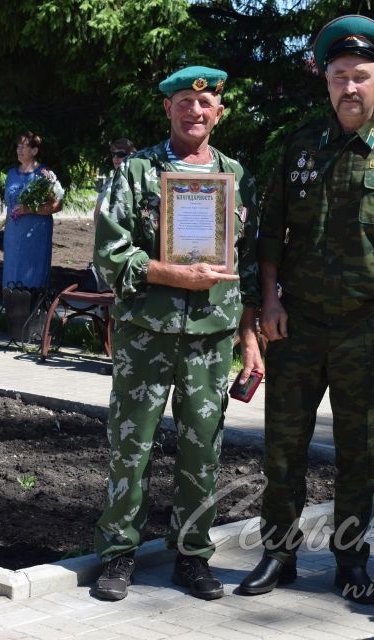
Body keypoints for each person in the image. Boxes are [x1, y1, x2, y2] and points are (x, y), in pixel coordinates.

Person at [238, 15, 374, 605]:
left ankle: (352, 561)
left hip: (367, 327)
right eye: (338, 76)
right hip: (296, 322)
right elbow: (270, 235)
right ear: (325, 81)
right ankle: (277, 555)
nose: (349, 88)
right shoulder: (300, 146)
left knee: (360, 453)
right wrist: (269, 302)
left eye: (360, 77)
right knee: (283, 447)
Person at [89, 66, 262, 602]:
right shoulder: (138, 172)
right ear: (169, 109)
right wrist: (174, 274)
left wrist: (251, 338)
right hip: (147, 333)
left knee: (202, 451)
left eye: (205, 103)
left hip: (212, 336)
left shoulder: (235, 176)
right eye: (185, 101)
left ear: (219, 112)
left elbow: (249, 263)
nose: (195, 110)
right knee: (130, 445)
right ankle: (118, 555)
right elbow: (108, 254)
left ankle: (192, 555)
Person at [2, 131, 65, 293]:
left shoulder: (45, 175)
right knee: (12, 271)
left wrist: (29, 209)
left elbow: (58, 205)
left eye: (23, 147)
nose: (18, 150)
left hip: (35, 235)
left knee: (32, 275)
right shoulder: (11, 174)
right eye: (18, 146)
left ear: (34, 151)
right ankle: (13, 312)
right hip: (13, 235)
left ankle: (32, 313)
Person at [93, 138, 136, 222]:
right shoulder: (108, 183)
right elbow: (97, 213)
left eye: (120, 154)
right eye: (113, 155)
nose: (116, 158)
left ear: (131, 155)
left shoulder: (137, 183)